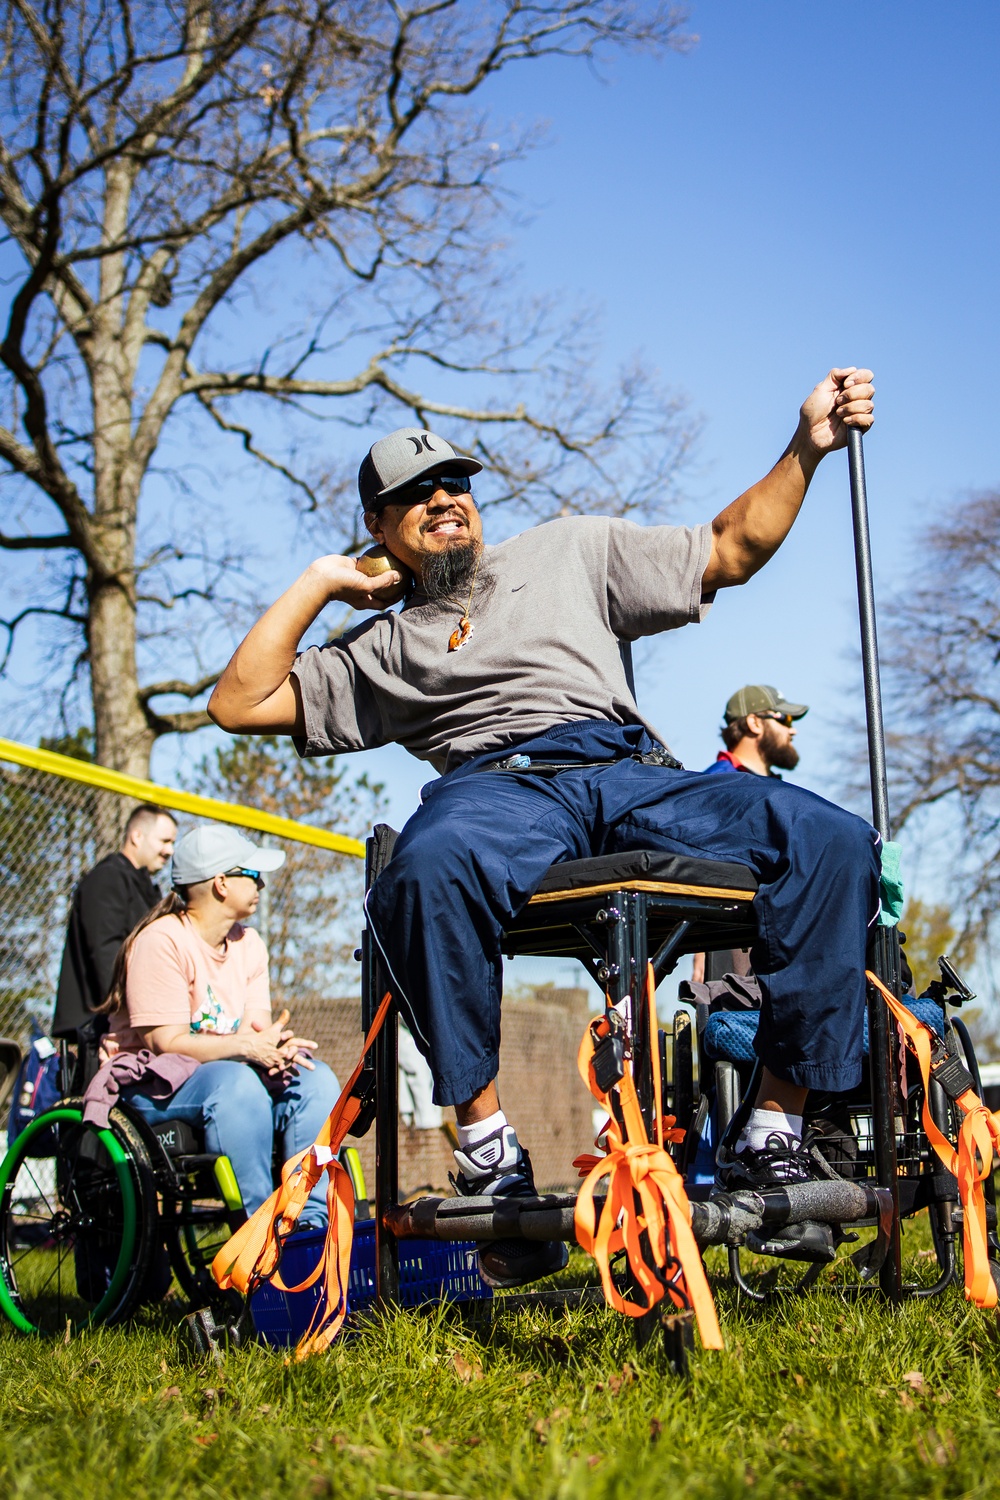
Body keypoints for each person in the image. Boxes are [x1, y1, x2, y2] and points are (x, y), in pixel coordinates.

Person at [208, 367, 880, 1287]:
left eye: (456, 484)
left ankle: (775, 1129)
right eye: (414, 494)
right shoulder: (380, 650)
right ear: (378, 527)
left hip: (628, 771)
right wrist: (320, 584)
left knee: (832, 839)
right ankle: (487, 1148)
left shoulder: (569, 550)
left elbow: (730, 547)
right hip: (498, 790)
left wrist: (807, 444)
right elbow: (238, 705)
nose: (445, 500)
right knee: (423, 866)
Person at [101, 825, 341, 1224]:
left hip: (227, 1074)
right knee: (237, 1084)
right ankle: (259, 1237)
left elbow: (255, 1028)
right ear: (221, 884)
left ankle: (309, 1225)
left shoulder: (249, 944)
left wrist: (273, 1047)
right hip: (155, 1084)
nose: (261, 882)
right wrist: (247, 1047)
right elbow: (166, 1042)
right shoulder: (160, 941)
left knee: (317, 1080)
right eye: (252, 874)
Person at [691, 685, 809, 984]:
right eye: (785, 720)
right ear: (755, 723)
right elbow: (700, 871)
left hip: (788, 933)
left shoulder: (784, 792)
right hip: (732, 936)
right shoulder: (717, 784)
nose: (792, 732)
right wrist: (699, 952)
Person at [53, 804, 178, 1037]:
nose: (169, 850)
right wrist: (127, 1013)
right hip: (100, 1027)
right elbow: (105, 952)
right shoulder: (108, 877)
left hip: (133, 1019)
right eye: (164, 841)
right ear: (137, 836)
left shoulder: (145, 887)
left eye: (172, 843)